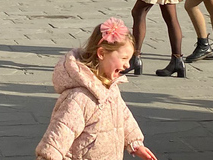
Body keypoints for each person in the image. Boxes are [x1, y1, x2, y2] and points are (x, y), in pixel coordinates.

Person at [35, 18, 156, 160]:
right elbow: (59, 135)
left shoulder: (111, 88)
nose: (127, 65)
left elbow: (123, 115)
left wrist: (134, 142)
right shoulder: (78, 98)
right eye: (123, 58)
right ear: (102, 53)